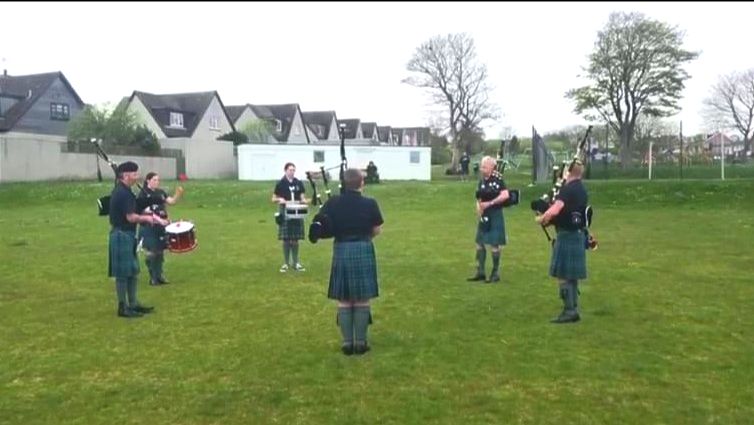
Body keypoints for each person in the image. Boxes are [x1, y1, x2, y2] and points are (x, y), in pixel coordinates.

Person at [319, 168, 384, 355]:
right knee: (362, 298)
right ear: (361, 183)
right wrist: (366, 238)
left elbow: (323, 226)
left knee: (345, 299)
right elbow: (377, 229)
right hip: (363, 247)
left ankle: (347, 343)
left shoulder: (333, 202)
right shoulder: (370, 203)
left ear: (344, 183)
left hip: (342, 248)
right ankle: (361, 343)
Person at [108, 161, 168, 318]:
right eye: (134, 174)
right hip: (121, 235)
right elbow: (131, 216)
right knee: (123, 273)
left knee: (133, 271)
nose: (137, 177)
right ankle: (123, 307)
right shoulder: (122, 193)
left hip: (127, 234)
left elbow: (136, 204)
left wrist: (155, 199)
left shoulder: (126, 191)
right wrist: (148, 218)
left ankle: (133, 304)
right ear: (126, 175)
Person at [535, 160, 589, 324]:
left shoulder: (567, 189)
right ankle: (573, 309)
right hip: (578, 234)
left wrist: (542, 218)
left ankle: (569, 311)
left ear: (568, 171)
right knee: (572, 275)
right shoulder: (581, 189)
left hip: (566, 235)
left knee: (563, 275)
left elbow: (556, 208)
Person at [468, 156, 510, 283]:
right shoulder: (482, 181)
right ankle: (480, 271)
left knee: (494, 243)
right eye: (481, 166)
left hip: (495, 214)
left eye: (485, 167)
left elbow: (505, 195)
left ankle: (495, 273)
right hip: (484, 215)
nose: (482, 169)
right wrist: (478, 207)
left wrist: (490, 203)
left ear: (492, 167)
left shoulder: (498, 180)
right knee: (479, 242)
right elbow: (479, 196)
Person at [137, 172, 183, 286]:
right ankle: (153, 277)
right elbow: (146, 212)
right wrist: (159, 219)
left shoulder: (161, 192)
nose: (157, 182)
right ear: (148, 180)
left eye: (158, 180)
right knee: (151, 252)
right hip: (149, 226)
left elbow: (171, 201)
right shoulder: (143, 194)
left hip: (161, 226)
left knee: (160, 251)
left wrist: (178, 194)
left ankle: (160, 275)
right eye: (154, 180)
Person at [272, 162, 308, 272]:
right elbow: (273, 199)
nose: (292, 172)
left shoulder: (298, 183)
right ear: (285, 170)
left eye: (293, 170)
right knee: (286, 239)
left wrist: (304, 201)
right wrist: (280, 199)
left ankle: (296, 263)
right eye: (290, 170)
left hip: (297, 212)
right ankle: (286, 263)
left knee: (295, 239)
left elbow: (302, 197)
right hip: (285, 211)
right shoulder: (281, 183)